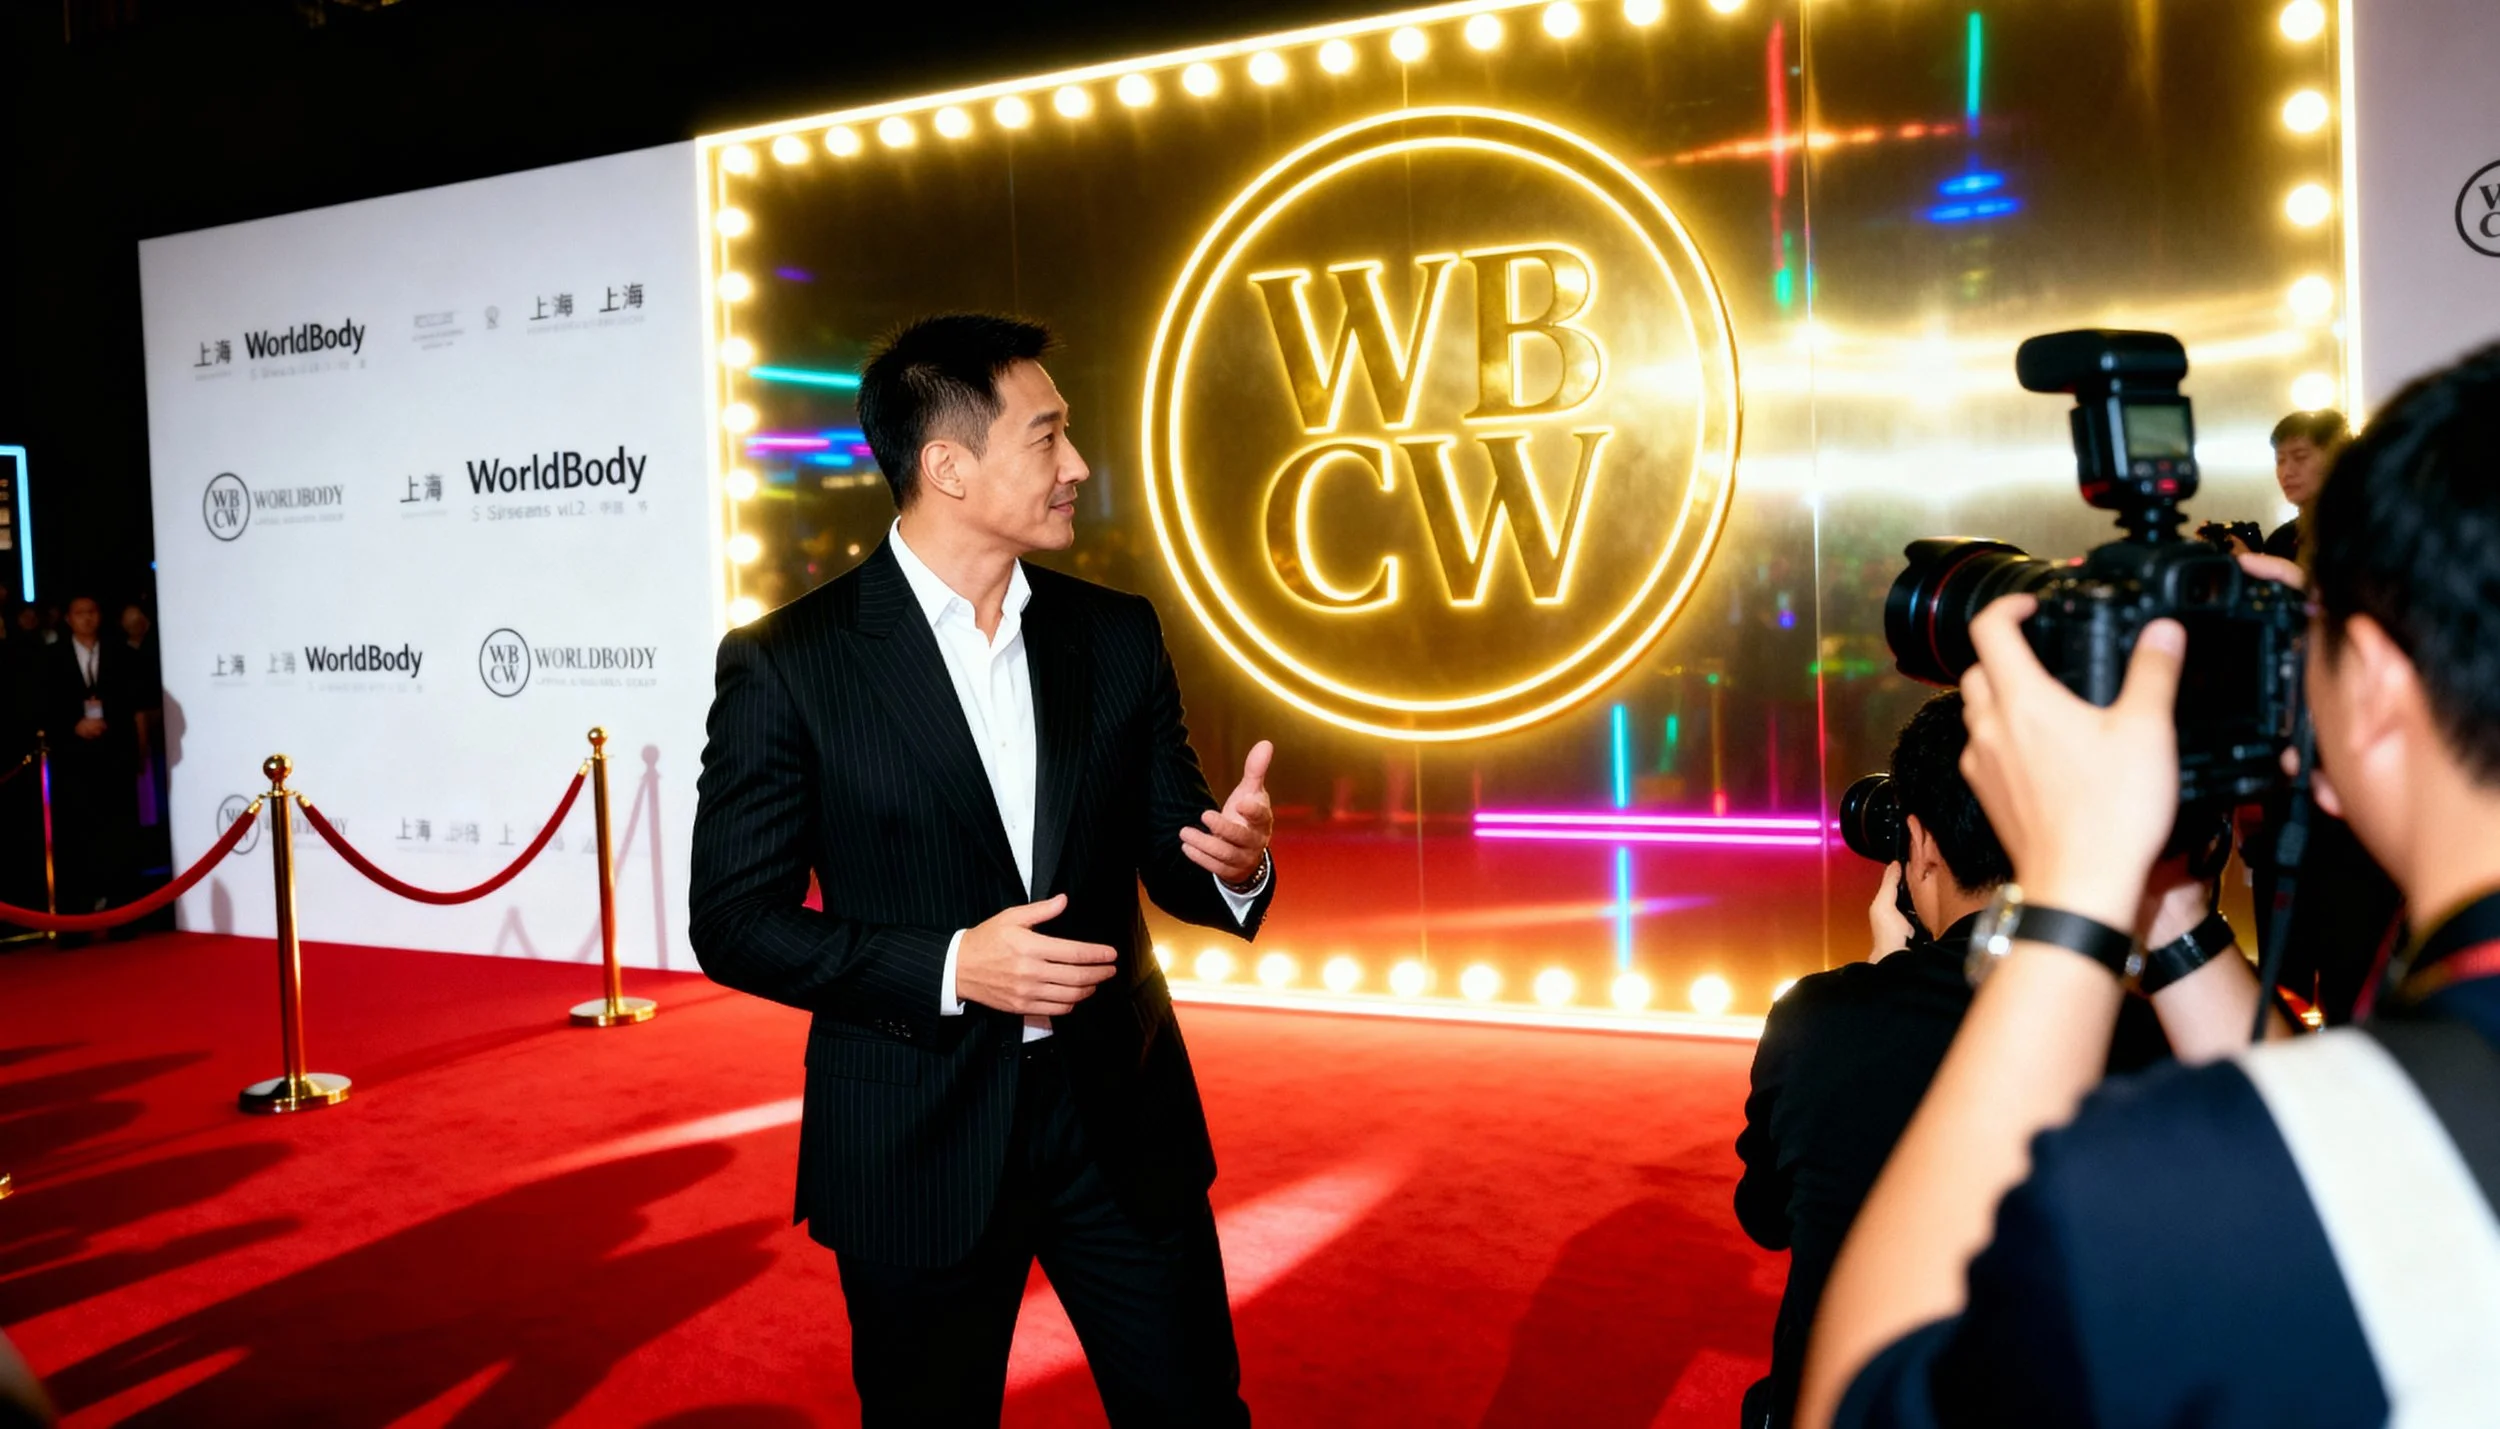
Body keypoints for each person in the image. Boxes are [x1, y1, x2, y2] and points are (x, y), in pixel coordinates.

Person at [1800, 343, 2500, 1427]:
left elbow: (1867, 1398)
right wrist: (2168, 913)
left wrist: (2072, 896)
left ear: (2373, 687)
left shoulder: (2173, 1189)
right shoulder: (2411, 1107)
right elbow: (2365, 1159)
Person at [689, 314, 1278, 1427]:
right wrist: (955, 963)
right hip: (916, 1134)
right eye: (1047, 437)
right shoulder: (790, 663)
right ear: (947, 465)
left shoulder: (1114, 634)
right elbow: (734, 919)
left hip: (1118, 1113)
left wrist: (1233, 864)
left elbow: (1174, 854)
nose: (1078, 467)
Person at [1734, 692, 2177, 1429]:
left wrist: (1878, 974)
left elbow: (1768, 1215)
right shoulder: (2145, 1031)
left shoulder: (1817, 1020)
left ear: (1920, 842)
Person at [40, 595, 141, 925]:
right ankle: (75, 919)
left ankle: (123, 915)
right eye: (79, 613)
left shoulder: (120, 653)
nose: (87, 618)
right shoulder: (51, 658)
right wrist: (73, 725)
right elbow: (40, 705)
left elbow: (133, 702)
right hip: (72, 760)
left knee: (118, 832)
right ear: (68, 618)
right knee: (75, 836)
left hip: (114, 757)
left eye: (92, 612)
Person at [2260, 407, 2347, 559]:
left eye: (2300, 457)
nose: (2287, 472)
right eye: (2280, 461)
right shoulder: (2281, 540)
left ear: (2335, 457)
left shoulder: (2361, 532)